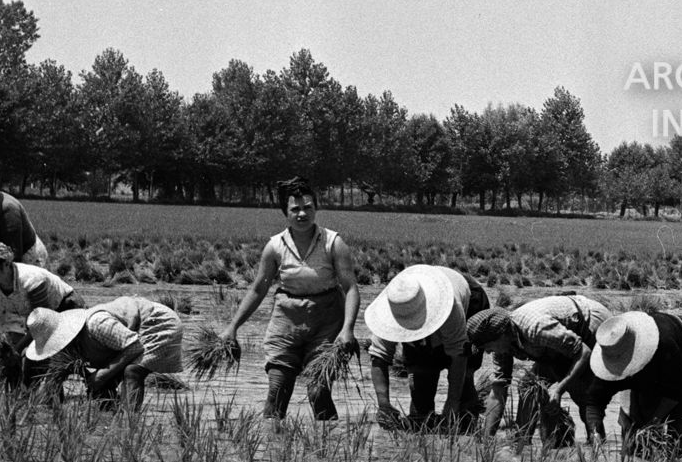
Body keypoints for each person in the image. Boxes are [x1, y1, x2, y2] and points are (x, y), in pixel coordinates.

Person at [220, 179, 361, 422]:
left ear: (316, 209)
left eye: (307, 207)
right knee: (277, 390)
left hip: (326, 321)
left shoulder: (333, 243)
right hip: (286, 321)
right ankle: (272, 441)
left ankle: (328, 441)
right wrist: (233, 327)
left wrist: (347, 329)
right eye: (295, 209)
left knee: (318, 391)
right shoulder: (275, 246)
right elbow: (258, 289)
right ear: (285, 213)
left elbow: (350, 289)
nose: (302, 214)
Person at [465, 293, 613, 443]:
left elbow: (584, 352)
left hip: (592, 324)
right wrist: (487, 440)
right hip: (555, 345)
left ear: (501, 335)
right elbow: (498, 390)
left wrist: (559, 390)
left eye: (487, 346)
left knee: (581, 391)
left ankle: (597, 443)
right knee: (527, 386)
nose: (488, 352)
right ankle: (522, 441)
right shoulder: (501, 346)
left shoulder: (535, 329)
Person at [364, 264, 490, 429]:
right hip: (424, 304)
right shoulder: (390, 308)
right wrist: (383, 405)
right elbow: (379, 356)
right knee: (421, 396)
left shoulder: (450, 306)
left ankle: (468, 422)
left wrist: (451, 403)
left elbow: (459, 354)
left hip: (468, 303)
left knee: (464, 383)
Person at [590, 308, 682, 458]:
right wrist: (595, 435)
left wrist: (653, 422)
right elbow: (593, 401)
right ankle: (633, 458)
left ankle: (675, 459)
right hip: (656, 360)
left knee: (678, 412)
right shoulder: (612, 350)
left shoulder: (665, 346)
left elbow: (677, 392)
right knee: (630, 417)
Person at [24, 295, 184, 408]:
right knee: (103, 386)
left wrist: (101, 375)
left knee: (132, 371)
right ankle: (111, 415)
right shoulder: (67, 347)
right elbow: (54, 378)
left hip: (158, 322)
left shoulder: (97, 324)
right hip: (129, 338)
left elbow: (135, 346)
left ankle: (130, 425)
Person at [0, 241, 81, 384]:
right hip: (32, 317)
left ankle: (49, 394)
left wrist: (16, 350)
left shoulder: (31, 280)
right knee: (22, 362)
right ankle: (26, 393)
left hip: (64, 308)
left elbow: (42, 323)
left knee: (46, 360)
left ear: (6, 264)